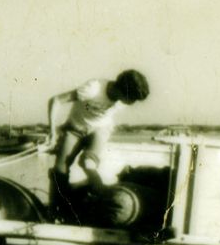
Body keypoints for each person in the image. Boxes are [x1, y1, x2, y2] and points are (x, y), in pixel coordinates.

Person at [46, 69, 150, 217]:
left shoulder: (123, 101)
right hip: (75, 128)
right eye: (131, 99)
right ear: (121, 90)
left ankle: (108, 200)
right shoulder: (93, 89)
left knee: (88, 163)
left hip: (100, 129)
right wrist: (53, 132)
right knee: (59, 170)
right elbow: (55, 100)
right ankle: (57, 210)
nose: (131, 103)